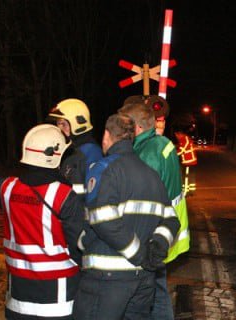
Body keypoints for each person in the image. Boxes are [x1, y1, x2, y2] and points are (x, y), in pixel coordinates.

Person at [73, 113, 180, 320]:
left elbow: (103, 219)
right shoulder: (152, 175)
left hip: (107, 279)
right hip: (143, 280)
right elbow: (171, 219)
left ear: (106, 135)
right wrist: (156, 247)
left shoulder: (103, 169)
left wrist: (139, 254)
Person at [0, 124, 84, 320]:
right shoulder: (64, 196)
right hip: (58, 305)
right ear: (55, 157)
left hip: (18, 303)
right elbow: (80, 248)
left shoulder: (8, 189)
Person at [118, 101, 190, 320]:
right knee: (158, 289)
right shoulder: (162, 143)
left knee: (152, 292)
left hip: (154, 233)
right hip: (168, 229)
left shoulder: (145, 153)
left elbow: (139, 198)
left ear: (137, 127)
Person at [47, 98, 103, 198]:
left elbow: (95, 193)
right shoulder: (70, 150)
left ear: (78, 123)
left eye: (63, 124)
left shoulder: (91, 153)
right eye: (58, 124)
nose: (59, 129)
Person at [175, 131, 198, 196]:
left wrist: (173, 154)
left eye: (176, 135)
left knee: (186, 177)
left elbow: (181, 150)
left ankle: (185, 192)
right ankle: (191, 191)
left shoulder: (185, 139)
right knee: (190, 177)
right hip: (190, 162)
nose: (176, 137)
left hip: (189, 162)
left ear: (180, 134)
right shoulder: (185, 139)